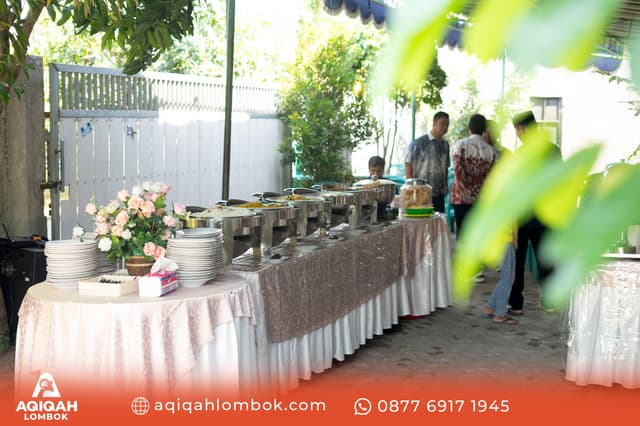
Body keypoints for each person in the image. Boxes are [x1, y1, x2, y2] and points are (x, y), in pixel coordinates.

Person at [507, 111, 562, 315]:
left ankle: (516, 303)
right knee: (546, 259)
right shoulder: (553, 150)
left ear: (522, 129)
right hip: (546, 214)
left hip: (523, 214)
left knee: (518, 261)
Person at [450, 114, 496, 239]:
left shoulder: (460, 145)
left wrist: (467, 192)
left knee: (463, 235)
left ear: (469, 127)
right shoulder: (491, 151)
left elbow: (458, 172)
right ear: (484, 129)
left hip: (461, 199)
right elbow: (490, 177)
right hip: (480, 199)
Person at [404, 111, 450, 213]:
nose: (445, 127)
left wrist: (445, 187)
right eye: (442, 123)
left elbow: (445, 167)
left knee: (438, 222)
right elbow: (408, 163)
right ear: (434, 123)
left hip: (439, 193)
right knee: (423, 222)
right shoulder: (419, 142)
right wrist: (411, 187)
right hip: (421, 191)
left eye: (447, 124)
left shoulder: (445, 145)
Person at [483, 224, 518, 324]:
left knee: (506, 278)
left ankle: (491, 307)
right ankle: (500, 314)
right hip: (504, 239)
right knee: (507, 279)